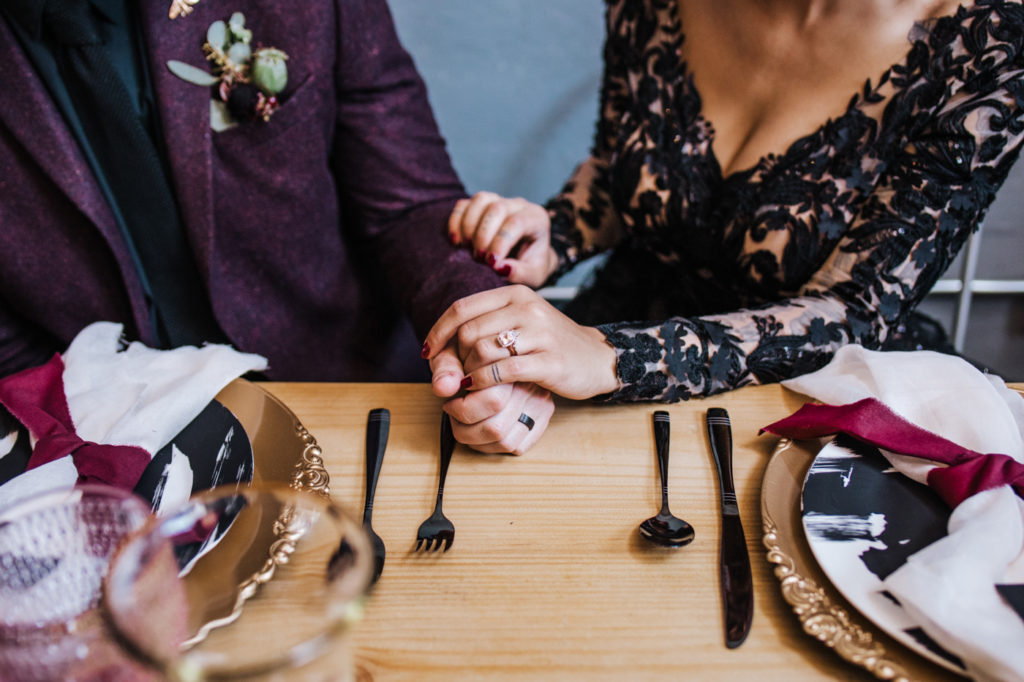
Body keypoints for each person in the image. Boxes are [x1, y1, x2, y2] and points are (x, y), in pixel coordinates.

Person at [424, 0, 1024, 424]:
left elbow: (853, 314)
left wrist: (611, 357)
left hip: (801, 393)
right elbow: (621, 164)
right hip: (618, 322)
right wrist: (556, 233)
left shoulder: (989, 45)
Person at [0, 0, 551, 453]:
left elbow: (410, 207)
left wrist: (488, 345)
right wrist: (67, 440)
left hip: (353, 407)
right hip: (99, 444)